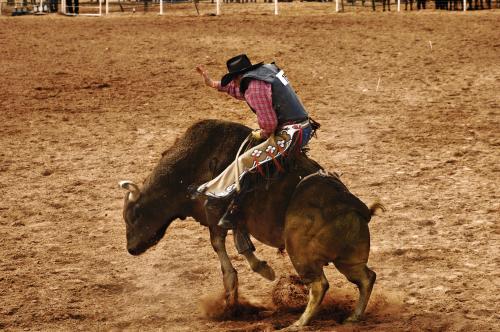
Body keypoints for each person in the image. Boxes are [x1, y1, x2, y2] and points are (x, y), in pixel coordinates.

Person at [196, 54, 318, 230]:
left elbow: (270, 124)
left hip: (291, 134)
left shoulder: (253, 88)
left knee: (245, 161)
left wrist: (262, 133)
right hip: (303, 126)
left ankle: (233, 208)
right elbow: (240, 91)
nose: (235, 84)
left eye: (233, 79)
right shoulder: (266, 72)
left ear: (238, 77)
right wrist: (213, 84)